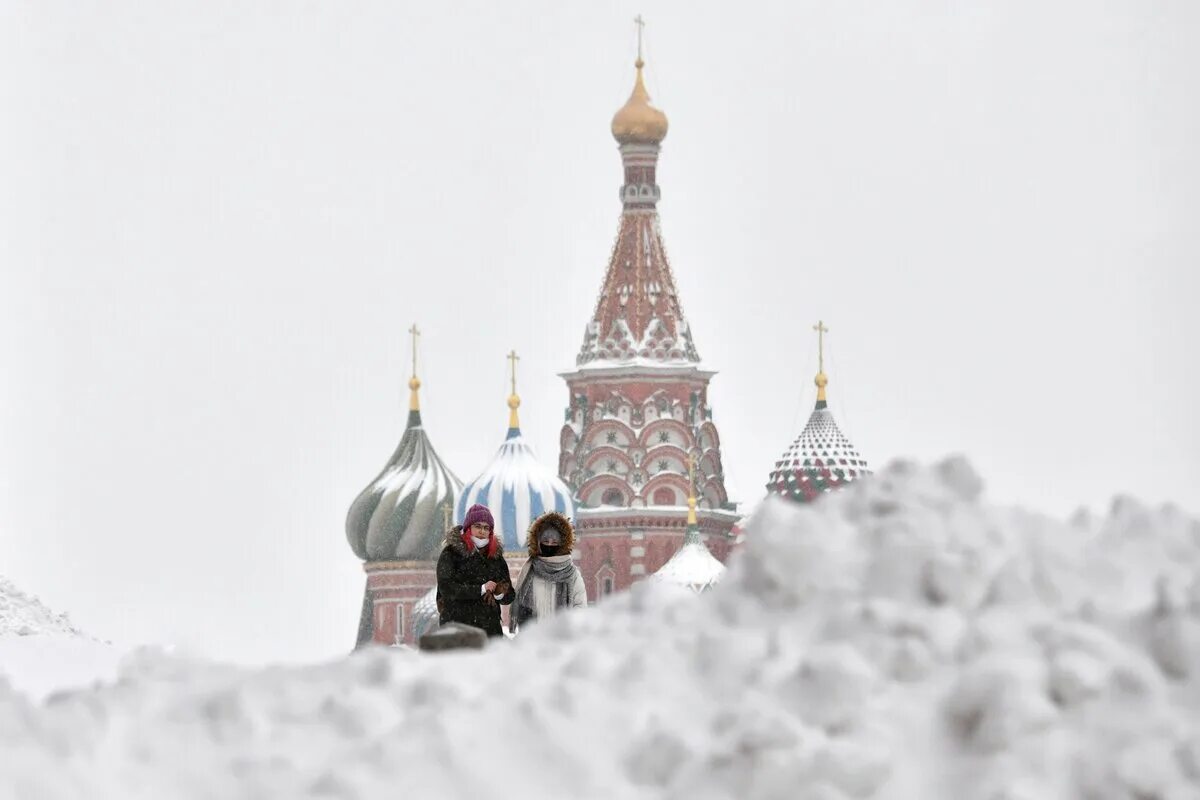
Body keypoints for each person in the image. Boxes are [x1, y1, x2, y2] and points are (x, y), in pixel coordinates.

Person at [436, 504, 513, 637]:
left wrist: (500, 593)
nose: (482, 531)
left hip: (490, 631)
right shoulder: (451, 554)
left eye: (486, 527)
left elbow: (510, 596)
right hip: (458, 630)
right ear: (468, 528)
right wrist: (481, 589)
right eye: (477, 526)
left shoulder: (496, 558)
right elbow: (447, 588)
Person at [511, 511, 587, 634]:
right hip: (533, 638)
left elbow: (580, 606)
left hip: (561, 638)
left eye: (554, 542)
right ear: (538, 542)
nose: (550, 545)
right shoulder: (529, 569)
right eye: (546, 542)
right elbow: (520, 604)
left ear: (562, 544)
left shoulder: (572, 574)